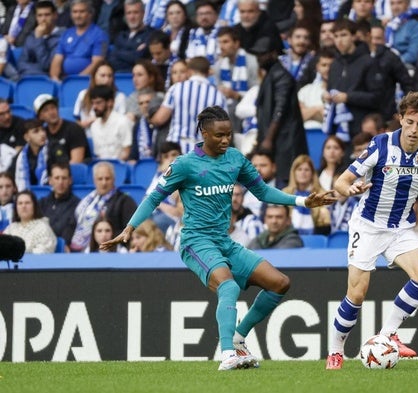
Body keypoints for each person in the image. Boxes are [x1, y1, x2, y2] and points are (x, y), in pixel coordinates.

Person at [100, 106, 336, 371]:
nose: (225, 140)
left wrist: (303, 200)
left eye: (229, 135)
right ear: (204, 133)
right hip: (195, 241)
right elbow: (154, 197)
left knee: (279, 283)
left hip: (223, 241)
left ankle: (237, 338)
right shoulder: (185, 164)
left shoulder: (234, 159)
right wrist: (130, 227)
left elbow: (262, 191)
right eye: (219, 135)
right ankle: (227, 354)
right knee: (229, 287)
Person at [326, 92, 418, 369]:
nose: (414, 130)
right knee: (356, 294)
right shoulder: (380, 145)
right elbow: (342, 181)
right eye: (410, 122)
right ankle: (335, 350)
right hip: (367, 225)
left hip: (400, 227)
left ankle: (388, 334)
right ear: (400, 119)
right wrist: (351, 189)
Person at [252, 38, 309, 188]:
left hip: (285, 141)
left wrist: (268, 138)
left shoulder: (282, 76)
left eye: (263, 54)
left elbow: (280, 109)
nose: (259, 58)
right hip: (278, 139)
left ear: (273, 54)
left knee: (285, 180)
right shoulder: (272, 74)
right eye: (257, 55)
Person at [151, 56, 227, 154]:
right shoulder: (218, 95)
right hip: (204, 151)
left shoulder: (176, 88)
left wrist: (150, 120)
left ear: (189, 71)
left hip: (176, 148)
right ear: (208, 72)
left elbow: (160, 119)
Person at [70, 161, 137, 252]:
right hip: (84, 250)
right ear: (94, 180)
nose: (104, 183)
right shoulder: (86, 202)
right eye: (100, 179)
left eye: (107, 178)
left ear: (114, 179)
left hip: (114, 250)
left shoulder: (125, 201)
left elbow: (130, 231)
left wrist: (107, 236)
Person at [50, 0, 109, 81]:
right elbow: (57, 59)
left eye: (82, 12)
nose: (78, 15)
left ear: (90, 14)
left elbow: (97, 62)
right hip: (65, 80)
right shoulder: (66, 33)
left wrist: (78, 80)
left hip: (87, 81)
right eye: (75, 12)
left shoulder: (100, 35)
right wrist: (55, 79)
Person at [34, 94, 91, 165]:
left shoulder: (74, 129)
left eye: (53, 108)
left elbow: (76, 162)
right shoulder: (43, 133)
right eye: (46, 110)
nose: (51, 112)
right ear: (40, 117)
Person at [283, 154, 332, 236]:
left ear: (312, 173)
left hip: (316, 236)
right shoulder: (285, 193)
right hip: (288, 236)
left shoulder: (322, 194)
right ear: (294, 172)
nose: (303, 173)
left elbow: (325, 224)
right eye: (299, 169)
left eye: (306, 170)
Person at [74, 60, 127, 135]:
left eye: (110, 76)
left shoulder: (120, 97)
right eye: (103, 75)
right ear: (94, 77)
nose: (107, 80)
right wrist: (87, 123)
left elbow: (122, 124)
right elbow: (77, 122)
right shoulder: (83, 94)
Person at [38, 162, 81, 250]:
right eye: (57, 178)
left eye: (64, 178)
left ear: (70, 180)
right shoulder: (41, 203)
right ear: (50, 180)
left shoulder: (79, 205)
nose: (60, 182)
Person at [17, 0, 65, 77]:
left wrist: (39, 38)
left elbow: (47, 65)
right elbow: (21, 64)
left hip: (50, 82)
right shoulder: (31, 36)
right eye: (40, 15)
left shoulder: (63, 36)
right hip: (30, 79)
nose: (43, 19)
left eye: (47, 15)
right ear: (36, 17)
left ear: (55, 15)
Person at [107, 0, 154, 73]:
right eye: (129, 13)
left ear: (143, 13)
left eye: (136, 12)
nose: (132, 17)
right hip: (119, 79)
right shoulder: (121, 36)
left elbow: (139, 59)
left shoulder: (151, 34)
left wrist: (118, 53)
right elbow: (111, 60)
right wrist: (133, 54)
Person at [89, 85, 134, 160]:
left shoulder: (122, 121)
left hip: (120, 165)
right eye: (93, 103)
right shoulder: (94, 126)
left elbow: (127, 152)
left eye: (98, 103)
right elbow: (98, 154)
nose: (94, 107)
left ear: (110, 102)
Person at [10, 119, 49, 191]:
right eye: (36, 131)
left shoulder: (53, 149)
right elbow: (10, 176)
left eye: (43, 130)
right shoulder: (20, 156)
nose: (42, 134)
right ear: (27, 137)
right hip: (26, 196)